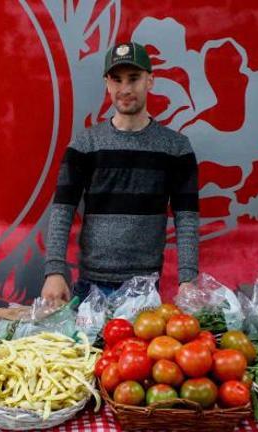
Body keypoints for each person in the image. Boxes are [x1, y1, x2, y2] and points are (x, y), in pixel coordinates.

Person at [41, 41, 200, 303]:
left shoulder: (176, 148)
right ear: (107, 83)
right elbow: (62, 210)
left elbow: (187, 219)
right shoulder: (84, 145)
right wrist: (54, 270)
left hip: (145, 291)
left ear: (150, 81)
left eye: (134, 79)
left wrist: (187, 280)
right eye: (117, 80)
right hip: (90, 286)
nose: (124, 89)